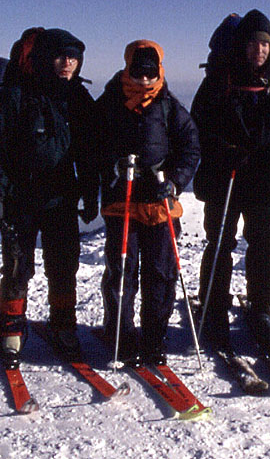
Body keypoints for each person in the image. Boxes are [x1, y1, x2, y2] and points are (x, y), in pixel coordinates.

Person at [0, 28, 98, 367]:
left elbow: (88, 153)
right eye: (61, 56)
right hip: (19, 198)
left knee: (63, 265)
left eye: (73, 57)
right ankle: (11, 329)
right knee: (17, 266)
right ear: (45, 58)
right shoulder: (15, 95)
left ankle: (63, 326)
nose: (68, 63)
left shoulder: (77, 99)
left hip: (61, 198)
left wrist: (90, 194)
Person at [192, 9, 270, 357]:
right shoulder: (219, 81)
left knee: (262, 243)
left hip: (263, 179)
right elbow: (198, 125)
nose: (260, 50)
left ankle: (261, 307)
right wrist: (220, 154)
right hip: (225, 178)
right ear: (242, 46)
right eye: (254, 43)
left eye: (266, 44)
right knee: (220, 241)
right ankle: (213, 306)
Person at [95, 40, 200, 366]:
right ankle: (121, 337)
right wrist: (112, 165)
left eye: (150, 74)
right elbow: (90, 143)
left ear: (159, 72)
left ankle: (155, 339)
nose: (143, 80)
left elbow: (191, 148)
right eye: (138, 73)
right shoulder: (110, 104)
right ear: (128, 69)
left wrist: (174, 182)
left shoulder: (169, 108)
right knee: (122, 273)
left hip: (159, 204)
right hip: (122, 202)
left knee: (161, 273)